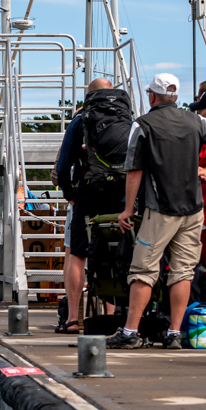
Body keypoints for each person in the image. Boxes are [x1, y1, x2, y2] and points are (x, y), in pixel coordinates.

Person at [109, 73, 206, 349]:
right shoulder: (197, 121)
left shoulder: (143, 124)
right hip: (193, 209)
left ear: (152, 96)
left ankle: (130, 331)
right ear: (175, 96)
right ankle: (175, 333)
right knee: (183, 272)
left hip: (160, 209)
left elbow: (134, 170)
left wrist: (127, 210)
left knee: (143, 270)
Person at [54, 77, 125, 332]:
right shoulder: (126, 119)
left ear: (89, 96)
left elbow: (63, 166)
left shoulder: (79, 121)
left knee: (78, 255)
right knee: (112, 252)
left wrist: (69, 192)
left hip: (87, 195)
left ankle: (73, 318)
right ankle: (110, 314)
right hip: (119, 197)